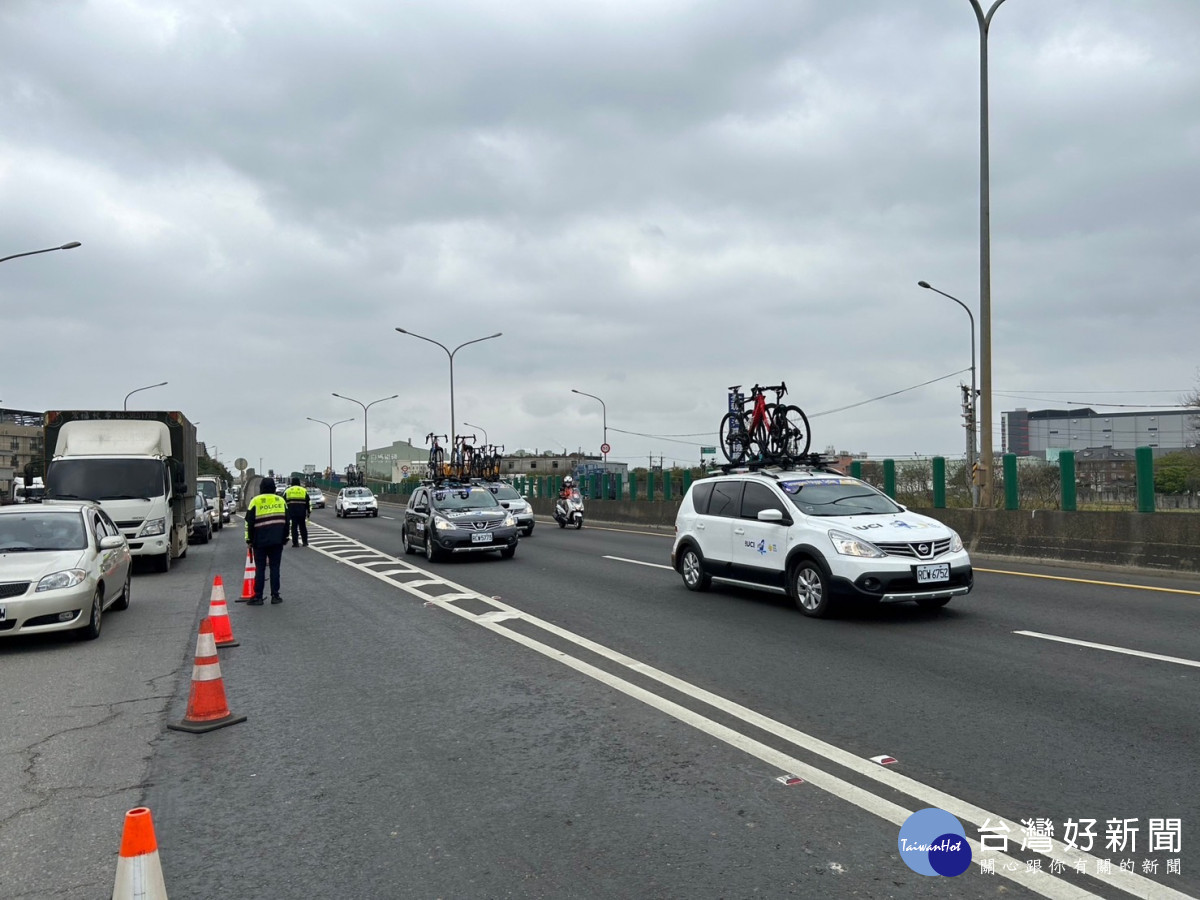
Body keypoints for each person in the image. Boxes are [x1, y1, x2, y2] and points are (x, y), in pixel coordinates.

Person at [244, 477, 290, 605]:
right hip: (277, 541)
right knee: (275, 568)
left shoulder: (255, 501)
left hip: (260, 541)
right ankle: (275, 596)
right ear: (274, 488)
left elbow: (249, 523)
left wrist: (249, 540)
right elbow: (287, 522)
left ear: (261, 488)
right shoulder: (280, 501)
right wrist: (285, 537)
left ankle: (258, 597)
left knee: (260, 568)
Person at [284, 476, 311, 547]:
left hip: (292, 513)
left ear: (292, 483)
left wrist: (285, 513)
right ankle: (305, 542)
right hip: (302, 512)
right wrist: (309, 511)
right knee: (303, 527)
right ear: (299, 483)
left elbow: (283, 502)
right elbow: (308, 502)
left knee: (294, 528)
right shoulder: (303, 490)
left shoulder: (288, 491)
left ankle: (295, 543)